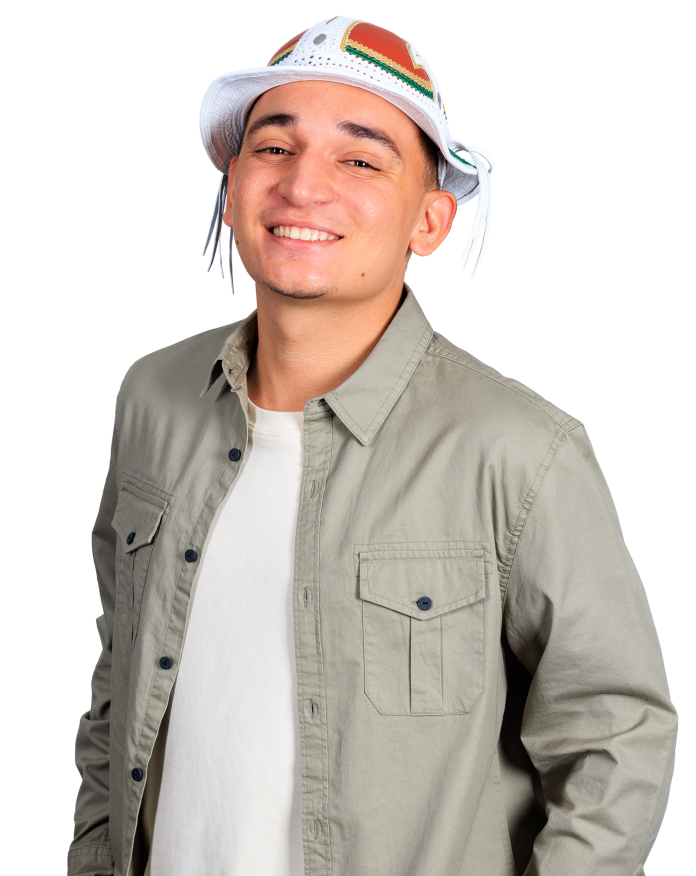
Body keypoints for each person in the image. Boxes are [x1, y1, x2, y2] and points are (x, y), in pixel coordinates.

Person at [68, 15, 678, 876]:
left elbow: (615, 732)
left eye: (359, 160)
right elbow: (117, 673)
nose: (302, 186)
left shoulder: (519, 448)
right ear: (231, 190)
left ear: (429, 221)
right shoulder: (151, 398)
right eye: (274, 148)